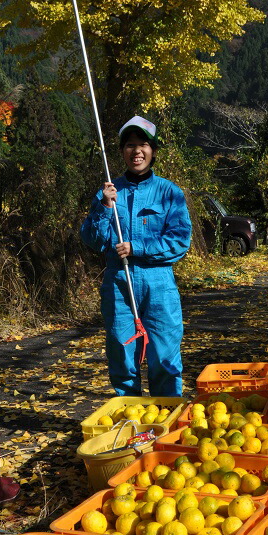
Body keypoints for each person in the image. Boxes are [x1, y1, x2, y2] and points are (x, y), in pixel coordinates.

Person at [81, 116, 192, 396]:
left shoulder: (169, 193)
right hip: (118, 283)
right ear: (122, 151)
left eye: (143, 144)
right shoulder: (108, 192)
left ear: (153, 150)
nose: (137, 151)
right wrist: (105, 206)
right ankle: (131, 423)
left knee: (164, 357)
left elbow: (179, 241)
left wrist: (137, 247)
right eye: (130, 145)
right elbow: (92, 240)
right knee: (122, 357)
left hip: (159, 284)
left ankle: (165, 424)